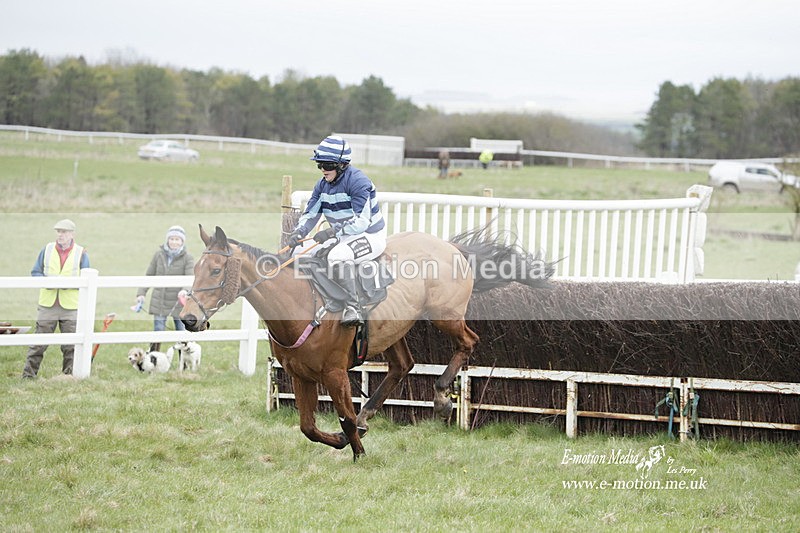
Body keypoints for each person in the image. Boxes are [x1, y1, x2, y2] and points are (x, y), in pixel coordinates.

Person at [286, 135, 386, 327]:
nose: (323, 169)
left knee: (337, 255)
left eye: (327, 165)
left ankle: (352, 306)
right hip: (342, 235)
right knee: (298, 252)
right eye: (319, 165)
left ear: (342, 165)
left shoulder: (358, 182)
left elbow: (361, 221)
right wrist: (299, 232)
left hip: (369, 235)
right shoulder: (321, 185)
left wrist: (331, 232)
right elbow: (310, 214)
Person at [22, 219, 90, 378]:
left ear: (72, 234)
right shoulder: (46, 250)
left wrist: (68, 285)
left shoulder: (81, 253)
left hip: (71, 306)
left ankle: (69, 376)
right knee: (38, 343)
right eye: (58, 231)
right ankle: (28, 376)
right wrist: (48, 282)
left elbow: (87, 279)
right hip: (48, 304)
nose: (60, 235)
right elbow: (35, 272)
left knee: (70, 345)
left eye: (64, 232)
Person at [134, 225, 194, 351]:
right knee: (158, 332)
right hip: (159, 302)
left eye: (177, 239)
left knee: (182, 334)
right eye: (171, 239)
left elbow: (190, 278)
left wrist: (184, 290)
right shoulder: (158, 255)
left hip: (178, 303)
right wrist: (141, 293)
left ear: (182, 241)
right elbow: (149, 274)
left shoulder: (188, 258)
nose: (174, 242)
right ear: (168, 240)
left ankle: (183, 365)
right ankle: (153, 361)